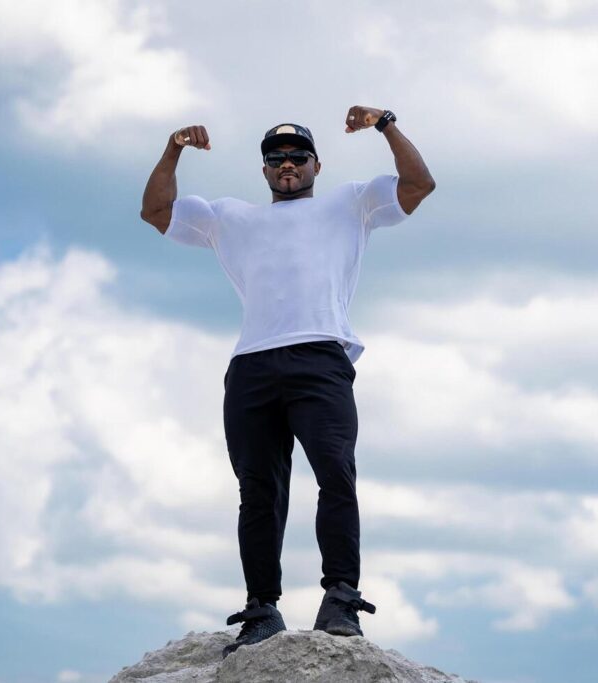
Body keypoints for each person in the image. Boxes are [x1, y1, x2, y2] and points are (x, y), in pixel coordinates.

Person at [139, 106, 435, 659]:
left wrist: (385, 124)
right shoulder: (229, 217)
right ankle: (261, 610)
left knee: (335, 476)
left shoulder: (350, 204)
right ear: (265, 171)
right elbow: (155, 210)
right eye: (276, 159)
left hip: (321, 357)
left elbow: (420, 183)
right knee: (259, 492)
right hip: (252, 365)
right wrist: (174, 146)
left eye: (298, 156)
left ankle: (341, 601)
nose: (287, 165)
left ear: (316, 164)